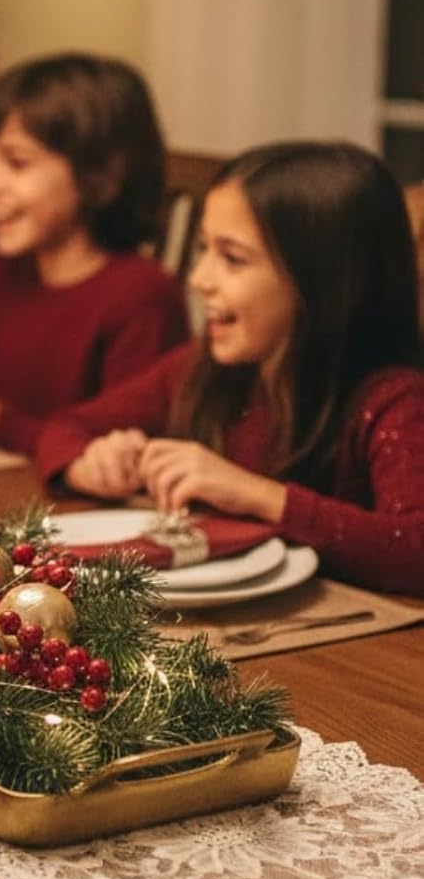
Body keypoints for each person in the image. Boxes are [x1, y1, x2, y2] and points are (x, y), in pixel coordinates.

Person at [38, 141, 424, 595]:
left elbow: (412, 549)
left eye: (233, 258)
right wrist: (89, 465)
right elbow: (66, 427)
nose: (200, 278)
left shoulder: (392, 400)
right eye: (203, 249)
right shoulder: (208, 368)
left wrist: (254, 493)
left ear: (324, 282)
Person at [0, 53, 188, 452]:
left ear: (99, 174)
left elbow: (121, 459)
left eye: (17, 162)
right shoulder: (0, 273)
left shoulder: (140, 297)